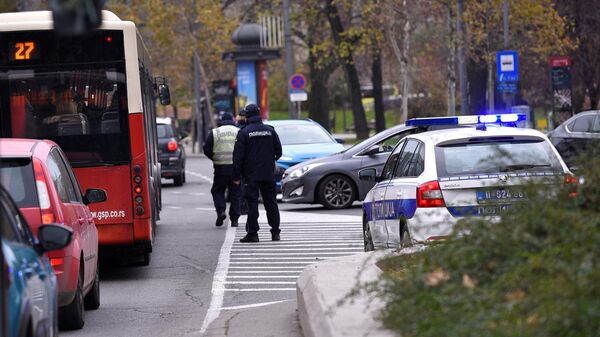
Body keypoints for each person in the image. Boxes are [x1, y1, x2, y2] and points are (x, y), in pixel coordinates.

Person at [232, 104, 282, 242]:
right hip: (268, 174)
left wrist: (236, 176)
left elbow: (237, 157)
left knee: (252, 203)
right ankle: (275, 232)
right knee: (271, 202)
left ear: (247, 116)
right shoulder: (270, 131)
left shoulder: (244, 133)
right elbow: (279, 151)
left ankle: (253, 233)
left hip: (251, 175)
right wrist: (269, 161)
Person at [203, 112, 241, 227]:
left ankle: (221, 211)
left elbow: (206, 149)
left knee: (218, 190)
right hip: (236, 168)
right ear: (232, 120)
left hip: (220, 168)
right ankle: (234, 219)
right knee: (235, 193)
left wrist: (215, 158)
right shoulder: (238, 132)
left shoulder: (215, 132)